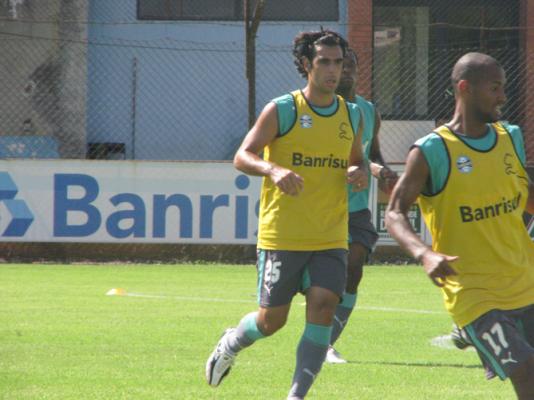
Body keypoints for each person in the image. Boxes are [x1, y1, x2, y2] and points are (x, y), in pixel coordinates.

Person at [205, 29, 368, 399]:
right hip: (283, 235)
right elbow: (242, 155)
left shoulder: (352, 114)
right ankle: (232, 342)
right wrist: (273, 169)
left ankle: (296, 395)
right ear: (307, 64)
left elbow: (356, 160)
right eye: (324, 62)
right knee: (271, 321)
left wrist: (357, 172)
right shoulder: (283, 109)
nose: (333, 70)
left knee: (324, 307)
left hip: (330, 235)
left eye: (338, 62)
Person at [385, 52, 534, 399]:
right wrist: (424, 254)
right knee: (526, 370)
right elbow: (394, 213)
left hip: (524, 281)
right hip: (473, 294)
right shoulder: (432, 150)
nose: (503, 97)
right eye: (495, 88)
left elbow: (524, 193)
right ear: (465, 88)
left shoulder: (510, 137)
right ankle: (467, 329)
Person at [325, 48, 398, 364]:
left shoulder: (370, 112)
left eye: (350, 65)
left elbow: (372, 154)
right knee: (315, 281)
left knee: (354, 268)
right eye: (340, 65)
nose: (346, 70)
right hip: (318, 206)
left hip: (354, 208)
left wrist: (383, 173)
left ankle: (327, 343)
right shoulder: (320, 109)